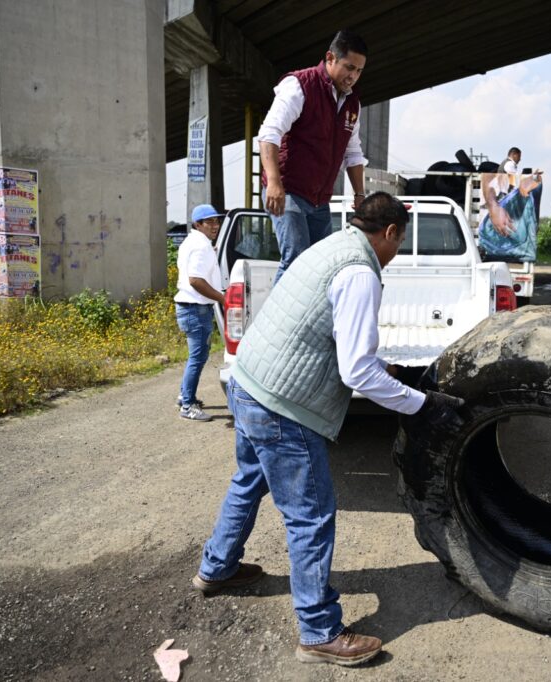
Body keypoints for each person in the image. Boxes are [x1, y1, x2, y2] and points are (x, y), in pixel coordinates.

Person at [192, 193, 464, 666]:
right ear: (392, 232)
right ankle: (318, 631)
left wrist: (391, 371)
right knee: (311, 515)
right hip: (282, 407)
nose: (396, 252)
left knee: (248, 480)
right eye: (399, 242)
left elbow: (330, 332)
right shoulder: (361, 272)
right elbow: (356, 372)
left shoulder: (332, 245)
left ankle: (216, 568)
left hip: (249, 382)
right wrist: (420, 406)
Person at [258, 29, 369, 283]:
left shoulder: (353, 105)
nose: (352, 77)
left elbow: (353, 152)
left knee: (321, 267)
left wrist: (360, 195)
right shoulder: (299, 85)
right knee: (296, 260)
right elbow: (269, 134)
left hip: (319, 198)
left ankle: (312, 323)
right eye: (348, 67)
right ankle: (277, 323)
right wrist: (274, 183)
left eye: (359, 71)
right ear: (330, 58)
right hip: (288, 190)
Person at [174, 204, 226, 421]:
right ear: (198, 224)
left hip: (190, 308)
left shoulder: (193, 242)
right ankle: (187, 406)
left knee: (196, 357)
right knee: (197, 358)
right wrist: (222, 298)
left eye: (217, 221)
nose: (215, 225)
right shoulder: (201, 246)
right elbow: (195, 280)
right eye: (210, 222)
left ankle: (184, 396)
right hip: (195, 309)